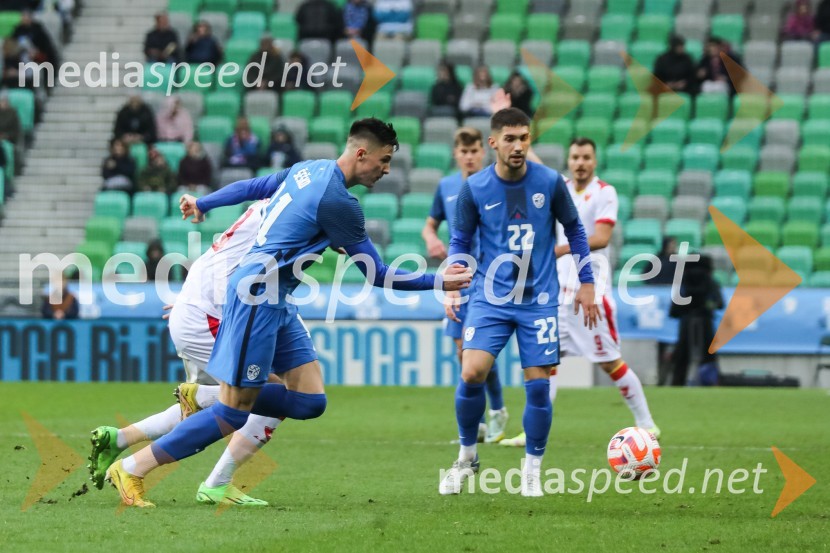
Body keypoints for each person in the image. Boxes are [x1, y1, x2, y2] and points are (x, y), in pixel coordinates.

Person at [104, 118, 472, 507]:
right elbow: (376, 274)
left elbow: (253, 187)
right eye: (383, 160)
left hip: (278, 300)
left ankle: (208, 395)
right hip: (256, 297)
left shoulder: (308, 168)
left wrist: (204, 202)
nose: (386, 169)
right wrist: (438, 281)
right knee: (233, 413)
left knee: (311, 401)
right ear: (361, 153)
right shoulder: (340, 203)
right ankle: (133, 468)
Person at [438, 108, 600, 497]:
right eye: (510, 139)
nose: (518, 145)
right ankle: (466, 459)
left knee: (539, 387)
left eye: (524, 138)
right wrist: (454, 282)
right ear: (493, 143)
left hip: (538, 299)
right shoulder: (475, 188)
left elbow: (576, 229)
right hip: (490, 297)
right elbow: (460, 241)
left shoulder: (550, 182)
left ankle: (531, 470)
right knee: (471, 372)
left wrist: (587, 282)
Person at [89, 200, 281, 506]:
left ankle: (123, 437)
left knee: (260, 395)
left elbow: (223, 257)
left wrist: (192, 297)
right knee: (267, 394)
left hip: (214, 313)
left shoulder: (272, 208)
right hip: (215, 319)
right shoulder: (286, 210)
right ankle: (211, 476)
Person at [501, 137, 660, 449]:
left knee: (609, 361)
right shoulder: (559, 186)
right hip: (556, 292)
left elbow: (601, 237)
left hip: (591, 290)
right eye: (575, 157)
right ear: (569, 160)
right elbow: (535, 164)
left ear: (594, 161)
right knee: (545, 360)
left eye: (586, 157)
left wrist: (557, 249)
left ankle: (647, 424)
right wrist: (520, 138)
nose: (580, 163)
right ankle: (532, 432)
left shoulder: (605, 192)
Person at [422, 127, 508, 444]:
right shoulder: (446, 186)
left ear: (482, 153)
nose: (470, 157)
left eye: (475, 151)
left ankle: (496, 409)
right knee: (462, 353)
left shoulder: (493, 184)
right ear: (457, 153)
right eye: (464, 151)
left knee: (480, 351)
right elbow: (429, 225)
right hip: (457, 279)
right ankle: (482, 420)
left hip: (487, 278)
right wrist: (432, 240)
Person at [669, 255, 724, 386]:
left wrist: (683, 311)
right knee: (708, 355)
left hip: (686, 321)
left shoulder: (683, 282)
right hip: (705, 321)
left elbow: (675, 308)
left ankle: (678, 383)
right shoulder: (711, 282)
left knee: (682, 356)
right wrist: (707, 305)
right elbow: (719, 303)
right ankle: (709, 382)